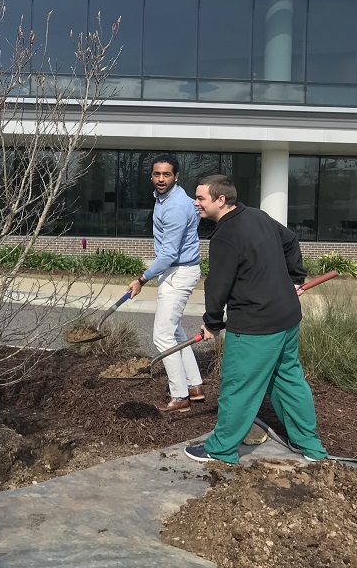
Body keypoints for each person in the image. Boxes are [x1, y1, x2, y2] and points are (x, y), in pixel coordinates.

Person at [185, 174, 327, 465]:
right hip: (287, 317)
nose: (196, 203)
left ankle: (221, 448)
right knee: (289, 380)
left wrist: (212, 323)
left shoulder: (224, 236)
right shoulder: (258, 216)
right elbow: (291, 241)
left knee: (239, 386)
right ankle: (311, 448)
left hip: (255, 327)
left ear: (220, 200)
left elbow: (217, 285)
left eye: (200, 198)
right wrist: (295, 278)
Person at [125, 154, 203, 413]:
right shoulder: (170, 199)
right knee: (176, 332)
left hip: (178, 272)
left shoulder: (175, 207)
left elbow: (168, 253)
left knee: (162, 335)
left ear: (176, 176)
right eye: (157, 174)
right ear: (151, 176)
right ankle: (194, 386)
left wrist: (141, 279)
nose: (161, 179)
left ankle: (180, 396)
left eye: (166, 174)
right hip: (177, 270)